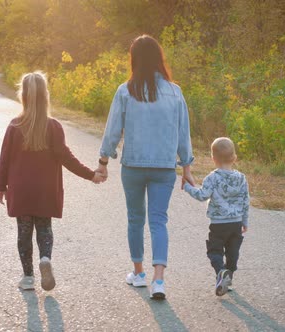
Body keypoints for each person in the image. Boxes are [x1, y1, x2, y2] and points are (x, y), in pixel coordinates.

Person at [96, 35, 195, 299]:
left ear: (134, 59)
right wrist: (186, 168)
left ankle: (139, 274)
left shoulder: (125, 90)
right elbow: (183, 133)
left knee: (135, 219)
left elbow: (112, 130)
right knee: (159, 221)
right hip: (164, 167)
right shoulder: (175, 92)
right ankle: (159, 280)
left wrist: (103, 162)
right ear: (158, 58)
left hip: (134, 166)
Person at [0, 71, 105, 291]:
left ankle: (28, 277)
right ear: (45, 96)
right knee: (44, 228)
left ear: (23, 96)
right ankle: (45, 259)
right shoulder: (53, 126)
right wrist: (91, 175)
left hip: (21, 190)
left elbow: (4, 160)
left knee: (24, 232)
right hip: (46, 190)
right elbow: (67, 158)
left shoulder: (14, 126)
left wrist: (1, 187)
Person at [183, 137, 249, 296]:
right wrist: (245, 221)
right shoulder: (241, 178)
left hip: (219, 224)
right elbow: (246, 201)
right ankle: (228, 277)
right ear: (234, 157)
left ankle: (221, 272)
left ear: (213, 158)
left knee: (214, 251)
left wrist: (187, 187)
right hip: (236, 223)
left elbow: (202, 195)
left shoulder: (212, 177)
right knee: (232, 253)